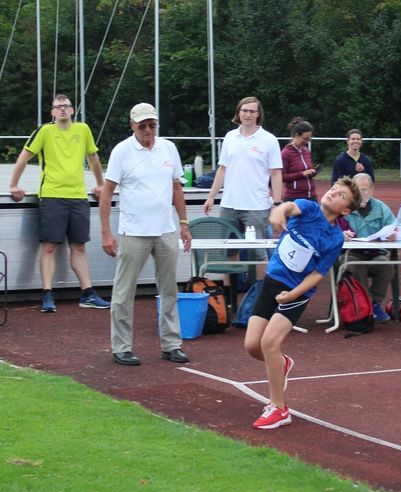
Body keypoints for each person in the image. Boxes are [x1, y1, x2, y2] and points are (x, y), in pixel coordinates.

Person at [245, 177, 360, 429]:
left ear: (346, 211)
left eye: (341, 195)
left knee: (269, 343)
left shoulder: (335, 238)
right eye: (333, 189)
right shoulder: (308, 208)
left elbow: (318, 274)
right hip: (271, 282)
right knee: (252, 346)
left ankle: (279, 408)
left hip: (295, 293)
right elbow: (288, 207)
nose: (333, 193)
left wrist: (293, 294)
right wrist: (278, 212)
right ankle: (282, 363)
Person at [100, 103, 192, 366]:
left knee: (169, 290)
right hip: (134, 232)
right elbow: (107, 192)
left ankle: (172, 344)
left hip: (165, 230)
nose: (148, 130)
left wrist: (184, 223)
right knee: (123, 292)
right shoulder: (122, 151)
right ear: (133, 126)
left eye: (152, 125)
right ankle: (121, 347)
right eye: (143, 126)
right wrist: (106, 233)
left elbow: (176, 188)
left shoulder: (168, 148)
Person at [9, 94, 110, 313]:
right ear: (52, 112)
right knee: (49, 246)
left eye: (66, 106)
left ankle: (87, 293)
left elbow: (93, 158)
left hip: (78, 196)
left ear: (72, 110)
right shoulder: (45, 131)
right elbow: (24, 156)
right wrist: (13, 184)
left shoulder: (83, 130)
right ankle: (47, 294)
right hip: (52, 195)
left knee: (79, 246)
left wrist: (101, 185)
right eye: (58, 107)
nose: (63, 109)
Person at [202, 96, 283, 275]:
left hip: (256, 206)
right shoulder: (230, 137)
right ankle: (232, 291)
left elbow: (276, 173)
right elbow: (222, 169)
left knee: (259, 254)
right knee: (229, 252)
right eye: (244, 111)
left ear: (258, 114)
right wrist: (211, 197)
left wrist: (277, 203)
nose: (247, 114)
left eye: (252, 111)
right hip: (229, 205)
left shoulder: (269, 139)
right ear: (238, 113)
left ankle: (261, 291)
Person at [339, 173, 396, 322]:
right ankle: (366, 305)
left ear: (371, 190)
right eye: (358, 190)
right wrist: (340, 235)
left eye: (365, 190)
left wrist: (393, 234)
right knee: (356, 266)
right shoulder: (344, 207)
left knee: (386, 266)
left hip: (374, 253)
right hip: (350, 253)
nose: (362, 194)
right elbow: (329, 228)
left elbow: (394, 227)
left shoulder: (381, 208)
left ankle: (375, 303)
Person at [281, 117, 319, 201]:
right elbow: (281, 177)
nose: (307, 142)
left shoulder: (306, 151)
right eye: (305, 139)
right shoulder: (286, 153)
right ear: (296, 135)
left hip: (311, 196)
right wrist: (302, 174)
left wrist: (312, 172)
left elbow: (306, 170)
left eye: (309, 139)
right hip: (294, 197)